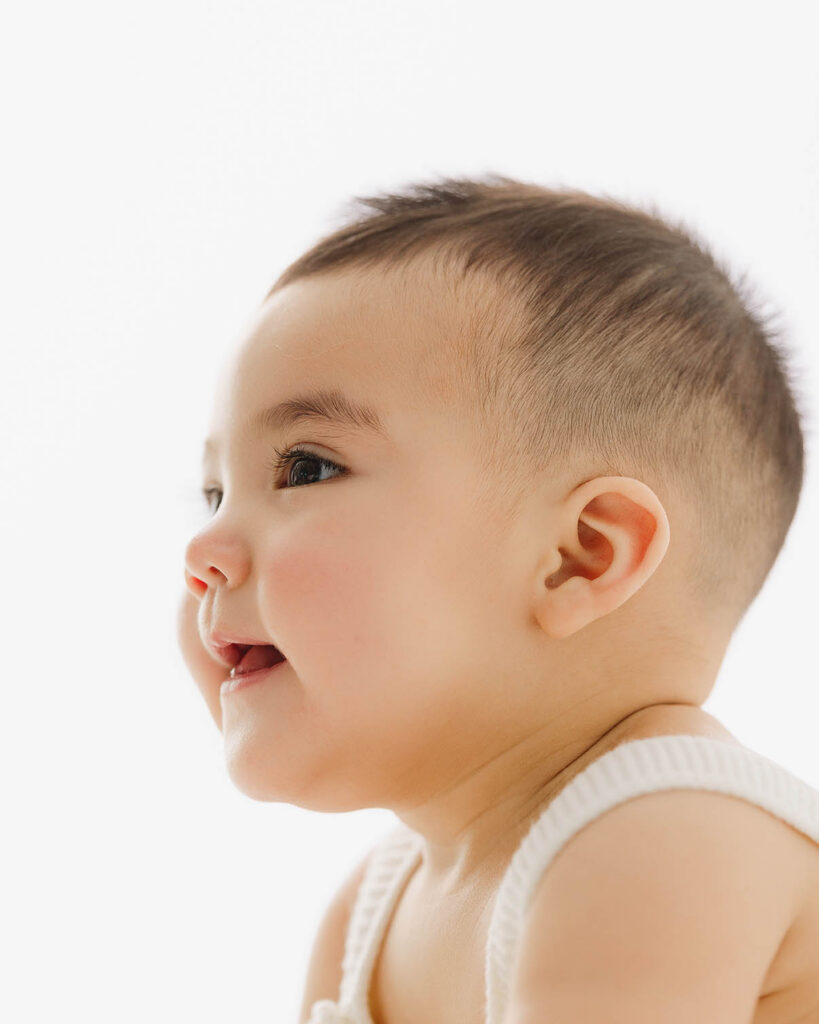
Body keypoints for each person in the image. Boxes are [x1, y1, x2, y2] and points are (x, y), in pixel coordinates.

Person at [177, 174, 819, 1024]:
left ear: (577, 559)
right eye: (214, 495)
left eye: (306, 468)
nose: (201, 553)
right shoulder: (369, 910)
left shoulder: (665, 834)